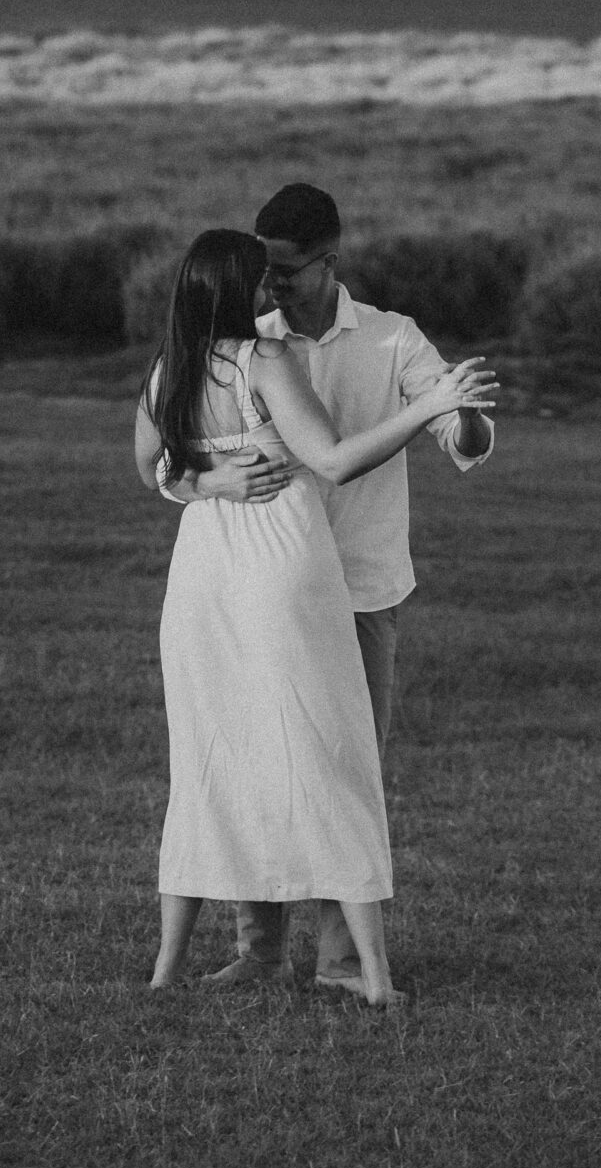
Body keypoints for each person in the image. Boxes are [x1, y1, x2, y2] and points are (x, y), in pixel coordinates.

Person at [134, 228, 497, 1008]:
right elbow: (331, 460)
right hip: (281, 569)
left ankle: (186, 968)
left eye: (284, 272)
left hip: (210, 577)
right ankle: (352, 972)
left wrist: (205, 480)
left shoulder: (175, 361)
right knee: (329, 758)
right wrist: (428, 406)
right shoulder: (262, 356)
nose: (273, 288)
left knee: (216, 759)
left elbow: (150, 461)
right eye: (261, 276)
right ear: (240, 286)